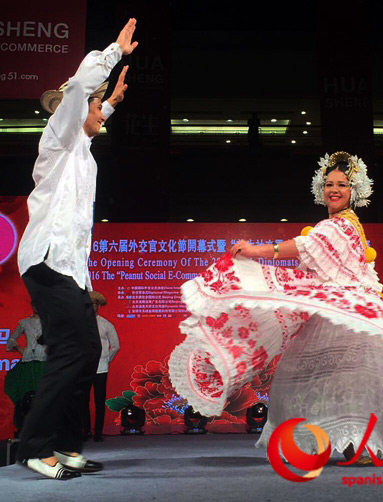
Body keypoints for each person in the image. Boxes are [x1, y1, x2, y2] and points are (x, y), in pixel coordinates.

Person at [169, 151, 383, 466]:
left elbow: (309, 245)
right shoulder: (344, 225)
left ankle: (354, 445)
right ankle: (344, 444)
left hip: (347, 319)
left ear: (353, 192)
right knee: (322, 380)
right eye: (329, 184)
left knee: (345, 382)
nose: (334, 189)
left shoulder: (341, 226)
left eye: (342, 185)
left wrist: (257, 249)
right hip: (342, 313)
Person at [16, 19, 138, 480]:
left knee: (86, 351)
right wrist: (114, 53)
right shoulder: (59, 138)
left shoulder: (81, 150)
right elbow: (79, 97)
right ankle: (35, 444)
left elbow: (91, 114)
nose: (100, 115)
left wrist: (109, 102)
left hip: (69, 269)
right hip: (46, 261)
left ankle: (67, 444)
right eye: (95, 108)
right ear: (73, 110)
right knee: (73, 351)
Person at [82, 291, 120, 442]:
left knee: (99, 401)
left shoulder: (105, 324)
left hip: (100, 368)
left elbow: (115, 346)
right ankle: (85, 432)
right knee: (83, 401)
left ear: (98, 306)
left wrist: (106, 360)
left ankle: (98, 433)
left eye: (93, 304)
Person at [5, 304, 47, 429]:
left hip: (43, 362)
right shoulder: (24, 322)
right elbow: (12, 339)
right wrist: (20, 349)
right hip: (27, 362)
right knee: (25, 393)